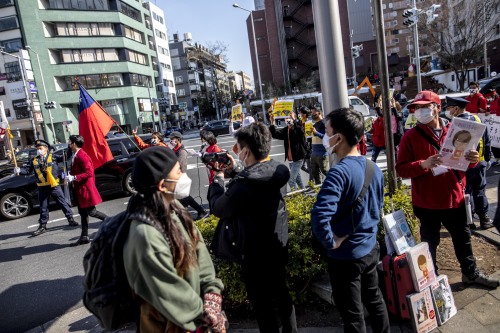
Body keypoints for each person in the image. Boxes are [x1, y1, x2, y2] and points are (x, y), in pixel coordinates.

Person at [396, 90, 499, 288]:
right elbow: (401, 169)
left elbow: (466, 163)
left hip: (455, 197)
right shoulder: (410, 136)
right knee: (429, 243)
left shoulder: (455, 130)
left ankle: (470, 274)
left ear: (437, 108)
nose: (420, 111)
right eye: (417, 107)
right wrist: (423, 165)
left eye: (424, 106)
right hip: (427, 202)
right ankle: (430, 281)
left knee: (463, 238)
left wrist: (473, 160)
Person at [123, 147, 225, 333]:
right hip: (171, 325)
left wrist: (212, 295)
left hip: (195, 321)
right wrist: (207, 316)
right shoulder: (145, 235)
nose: (184, 176)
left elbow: (200, 254)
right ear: (162, 185)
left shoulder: (175, 209)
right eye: (179, 171)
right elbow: (171, 295)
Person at [208, 123, 297, 333]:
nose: (236, 153)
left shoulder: (243, 186)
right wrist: (236, 170)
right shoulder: (278, 171)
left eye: (238, 149)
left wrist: (218, 179)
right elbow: (256, 176)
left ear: (246, 151)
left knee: (263, 305)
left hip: (254, 255)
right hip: (278, 247)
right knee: (282, 295)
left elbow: (219, 207)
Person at [311, 107, 390, 333]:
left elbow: (319, 215)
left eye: (326, 131)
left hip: (345, 256)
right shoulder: (373, 167)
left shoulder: (338, 172)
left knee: (353, 315)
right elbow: (377, 207)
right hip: (369, 248)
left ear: (339, 137)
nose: (324, 136)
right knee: (375, 301)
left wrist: (330, 241)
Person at [445, 96, 493, 229]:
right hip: (480, 162)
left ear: (456, 108)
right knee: (480, 191)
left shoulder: (455, 124)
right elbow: (487, 140)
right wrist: (488, 158)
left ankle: (470, 221)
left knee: (467, 192)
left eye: (448, 108)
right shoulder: (477, 119)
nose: (447, 111)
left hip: (462, 165)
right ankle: (484, 219)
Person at [14, 139, 78, 236]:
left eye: (40, 148)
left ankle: (71, 219)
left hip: (54, 186)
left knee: (63, 203)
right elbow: (27, 170)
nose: (38, 150)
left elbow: (66, 157)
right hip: (42, 187)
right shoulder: (34, 160)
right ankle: (42, 226)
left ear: (46, 149)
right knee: (43, 207)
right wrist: (19, 170)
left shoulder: (54, 157)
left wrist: (69, 147)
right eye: (37, 149)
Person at [65, 135, 108, 246]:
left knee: (91, 212)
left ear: (74, 143)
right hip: (79, 190)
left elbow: (89, 172)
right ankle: (84, 236)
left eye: (70, 141)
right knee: (83, 214)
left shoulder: (82, 156)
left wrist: (74, 177)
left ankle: (111, 221)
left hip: (85, 189)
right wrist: (70, 176)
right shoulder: (75, 154)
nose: (68, 143)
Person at [169, 131, 208, 220]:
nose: (170, 141)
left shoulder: (181, 151)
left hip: (180, 177)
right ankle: (189, 215)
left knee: (184, 197)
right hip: (176, 177)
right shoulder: (174, 150)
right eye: (170, 139)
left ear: (178, 139)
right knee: (182, 198)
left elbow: (180, 165)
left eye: (172, 139)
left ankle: (201, 211)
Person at [269, 111, 306, 190]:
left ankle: (296, 197)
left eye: (289, 118)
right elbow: (275, 134)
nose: (287, 119)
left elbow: (301, 132)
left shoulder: (297, 128)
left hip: (298, 158)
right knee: (298, 179)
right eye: (286, 118)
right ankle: (304, 193)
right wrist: (272, 122)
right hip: (291, 159)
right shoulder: (286, 130)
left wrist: (294, 120)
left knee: (291, 180)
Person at [310, 107, 329, 184]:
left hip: (322, 153)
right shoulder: (315, 124)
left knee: (325, 171)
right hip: (314, 152)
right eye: (312, 113)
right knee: (315, 173)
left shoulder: (324, 123)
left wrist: (316, 132)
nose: (312, 115)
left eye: (314, 113)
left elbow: (326, 137)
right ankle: (319, 190)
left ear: (319, 113)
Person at [299, 106, 312, 179]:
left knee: (309, 166)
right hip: (303, 147)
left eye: (300, 113)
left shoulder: (308, 123)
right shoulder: (300, 122)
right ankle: (315, 174)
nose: (299, 114)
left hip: (308, 147)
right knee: (302, 166)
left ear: (304, 114)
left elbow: (309, 135)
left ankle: (312, 182)